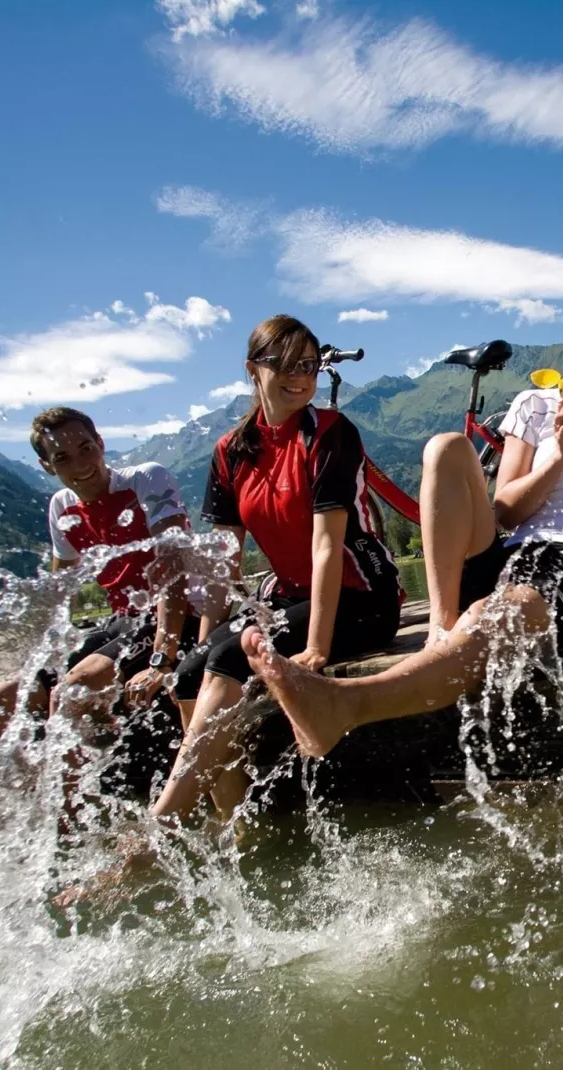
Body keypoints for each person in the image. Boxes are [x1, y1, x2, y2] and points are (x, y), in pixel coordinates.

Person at [240, 285, 563, 759]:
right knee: (446, 447)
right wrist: (556, 457)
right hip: (511, 549)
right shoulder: (534, 405)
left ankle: (345, 705)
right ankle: (440, 624)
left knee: (490, 614)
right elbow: (506, 510)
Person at [148, 314, 402, 820]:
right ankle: (232, 821)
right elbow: (224, 559)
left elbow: (327, 546)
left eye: (309, 364)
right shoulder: (230, 451)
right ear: (252, 369)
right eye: (284, 364)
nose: (300, 375)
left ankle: (164, 823)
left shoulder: (330, 432)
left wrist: (316, 648)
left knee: (229, 661)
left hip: (360, 597)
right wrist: (203, 638)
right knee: (189, 674)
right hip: (290, 598)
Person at [0, 406, 198, 759]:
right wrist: (36, 657)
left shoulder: (145, 479)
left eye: (86, 449)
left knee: (70, 693)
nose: (80, 466)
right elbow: (60, 591)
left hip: (179, 616)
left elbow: (174, 573)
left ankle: (68, 811)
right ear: (47, 466)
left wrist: (161, 659)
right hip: (122, 623)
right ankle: (12, 808)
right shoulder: (61, 506)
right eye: (62, 457)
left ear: (101, 443)